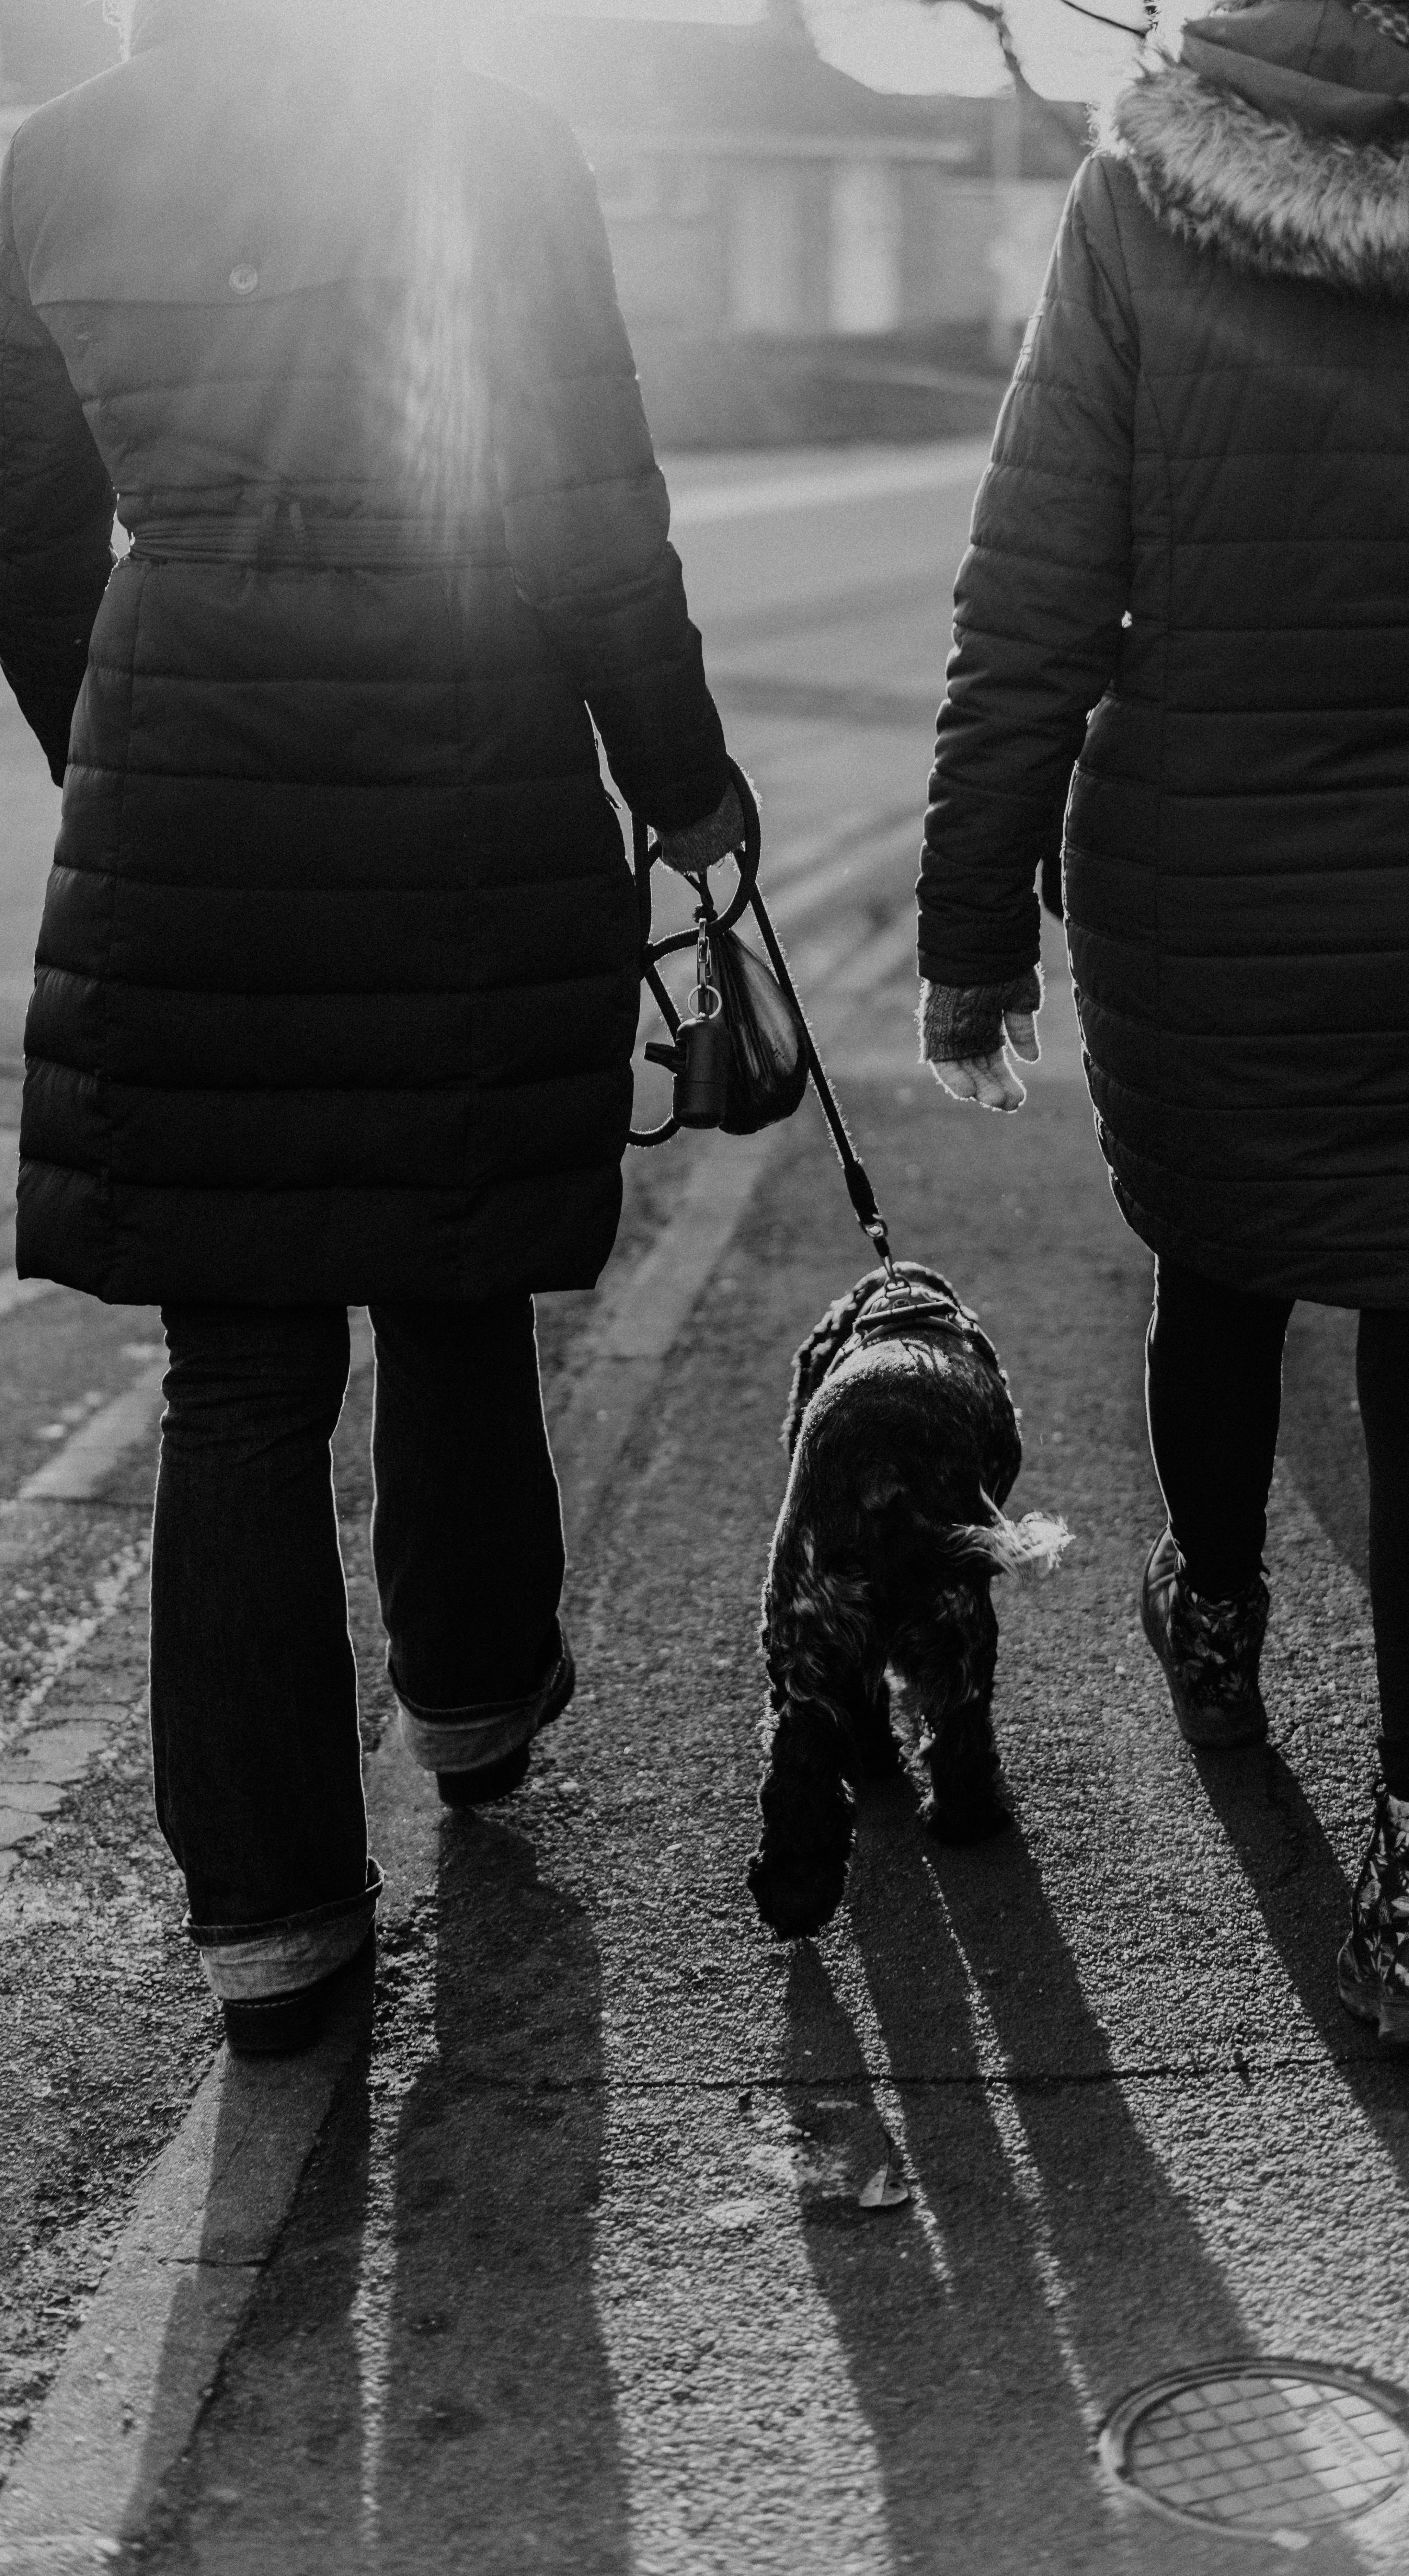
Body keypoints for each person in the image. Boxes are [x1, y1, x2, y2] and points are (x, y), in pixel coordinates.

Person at [917, 0, 1409, 2046]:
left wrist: (971, 937)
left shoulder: (1136, 201)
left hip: (1200, 873)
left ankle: (1213, 1617)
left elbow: (1033, 591)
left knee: (1220, 1266)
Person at [0, 0, 742, 2052]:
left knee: (237, 1371)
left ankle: (267, 1920)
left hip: (184, 775)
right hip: (466, 741)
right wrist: (681, 779)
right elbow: (589, 503)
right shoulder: (488, 139)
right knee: (451, 1260)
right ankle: (476, 1696)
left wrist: (122, 731)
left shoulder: (52, 165)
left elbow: (25, 529)